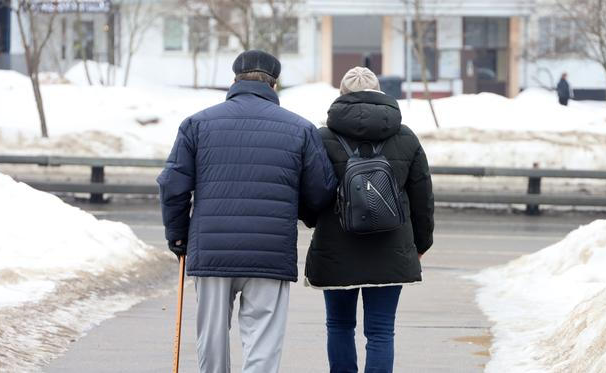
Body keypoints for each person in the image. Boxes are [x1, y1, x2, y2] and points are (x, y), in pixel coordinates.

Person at [157, 50, 337, 373]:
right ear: (274, 84)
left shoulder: (197, 124)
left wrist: (179, 238)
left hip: (212, 251)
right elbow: (322, 191)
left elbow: (173, 185)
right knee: (263, 345)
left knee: (211, 340)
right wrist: (298, 212)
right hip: (270, 251)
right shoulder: (300, 129)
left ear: (235, 80)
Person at [304, 67, 435, 373]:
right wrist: (421, 243)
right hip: (390, 248)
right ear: (380, 94)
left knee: (339, 326)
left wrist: (315, 222)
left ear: (341, 95)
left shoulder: (321, 137)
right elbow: (422, 197)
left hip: (336, 248)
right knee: (380, 331)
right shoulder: (405, 136)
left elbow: (310, 194)